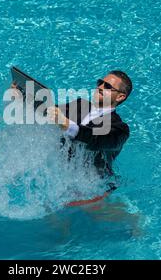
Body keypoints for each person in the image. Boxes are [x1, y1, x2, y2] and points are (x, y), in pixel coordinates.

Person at [47, 70, 133, 205]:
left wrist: (67, 125)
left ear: (120, 97)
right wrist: (24, 97)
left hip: (95, 189)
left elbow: (96, 139)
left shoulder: (119, 129)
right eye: (100, 83)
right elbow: (49, 111)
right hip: (67, 179)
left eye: (107, 87)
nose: (100, 87)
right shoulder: (80, 105)